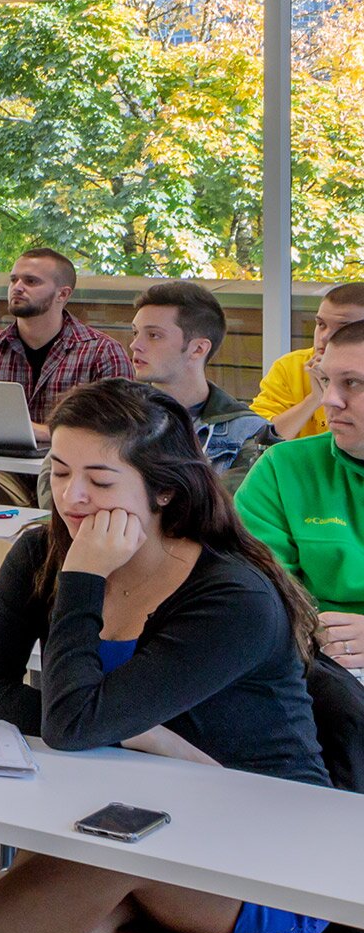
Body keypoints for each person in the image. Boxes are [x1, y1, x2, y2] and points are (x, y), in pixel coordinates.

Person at [0, 378, 331, 933]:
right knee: (71, 900)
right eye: (59, 473)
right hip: (124, 825)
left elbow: (73, 723)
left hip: (269, 855)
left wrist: (84, 584)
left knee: (106, 847)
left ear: (164, 490)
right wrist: (147, 735)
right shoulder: (41, 552)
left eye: (100, 480)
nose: (72, 498)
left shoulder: (231, 597)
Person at [237, 316, 364, 672]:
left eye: (351, 383)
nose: (330, 400)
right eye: (325, 381)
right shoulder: (284, 467)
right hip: (313, 664)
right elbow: (254, 593)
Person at [0, 245, 127, 439]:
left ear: (62, 294)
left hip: (70, 466)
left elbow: (118, 431)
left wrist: (37, 431)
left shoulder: (103, 353)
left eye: (31, 281)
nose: (18, 287)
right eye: (13, 280)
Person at [129, 280, 271, 475]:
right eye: (135, 333)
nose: (135, 345)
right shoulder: (115, 417)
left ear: (198, 349)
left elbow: (235, 504)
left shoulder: (250, 432)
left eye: (153, 335)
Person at [250, 281, 364, 443]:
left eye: (343, 328)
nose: (324, 337)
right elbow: (257, 441)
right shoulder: (290, 367)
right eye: (321, 324)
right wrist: (313, 399)